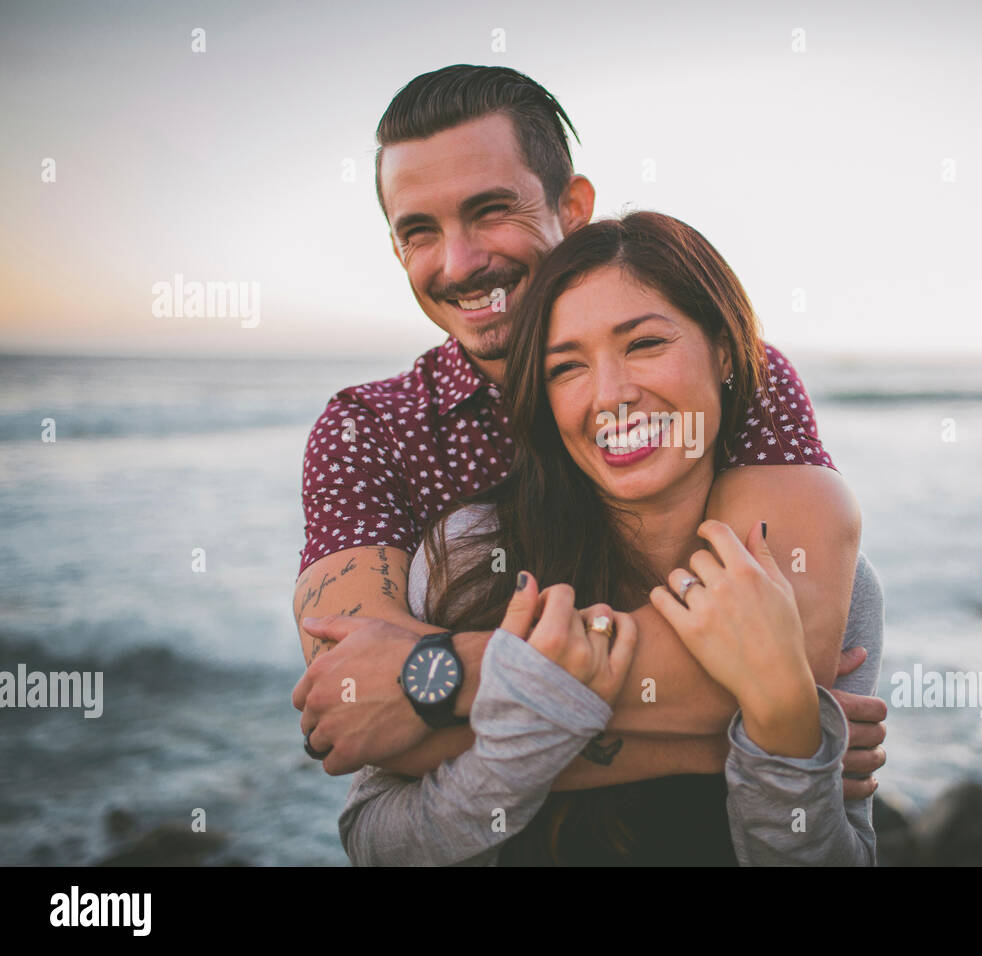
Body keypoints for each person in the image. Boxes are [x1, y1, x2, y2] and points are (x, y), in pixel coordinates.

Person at [291, 65, 885, 821]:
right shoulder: (368, 431)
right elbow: (356, 709)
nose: (460, 262)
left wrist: (439, 680)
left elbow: (784, 653)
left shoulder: (724, 380)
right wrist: (738, 740)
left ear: (573, 207)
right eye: (420, 233)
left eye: (489, 211)